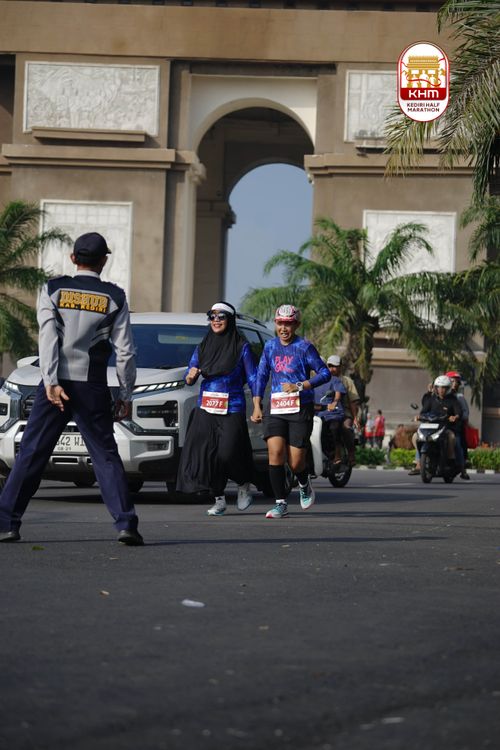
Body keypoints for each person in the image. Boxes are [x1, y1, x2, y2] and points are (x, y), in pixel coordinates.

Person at [0, 232, 143, 545]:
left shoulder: (53, 289)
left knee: (32, 453)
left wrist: (51, 382)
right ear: (103, 261)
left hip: (56, 386)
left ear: (73, 258)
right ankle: (126, 525)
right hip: (92, 386)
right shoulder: (114, 297)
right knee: (106, 456)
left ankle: (7, 523)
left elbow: (48, 339)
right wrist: (125, 394)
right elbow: (125, 352)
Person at [176, 301, 257, 516]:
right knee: (207, 455)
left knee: (227, 453)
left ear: (230, 320)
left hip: (232, 407)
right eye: (212, 316)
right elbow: (190, 373)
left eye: (221, 317)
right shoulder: (203, 346)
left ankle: (243, 483)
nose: (216, 320)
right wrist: (190, 376)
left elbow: (253, 378)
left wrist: (257, 405)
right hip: (206, 407)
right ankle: (219, 499)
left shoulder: (242, 347)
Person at [251, 304, 330, 519]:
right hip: (275, 406)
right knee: (275, 453)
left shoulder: (304, 347)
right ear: (275, 323)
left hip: (299, 407)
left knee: (295, 462)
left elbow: (324, 373)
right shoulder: (270, 347)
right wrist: (257, 404)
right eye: (280, 323)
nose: (284, 328)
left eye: (288, 324)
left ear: (296, 325)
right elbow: (261, 376)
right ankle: (280, 503)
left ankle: (304, 482)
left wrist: (300, 385)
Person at [325, 355, 360, 464]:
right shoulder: (322, 380)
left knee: (345, 428)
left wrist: (355, 418)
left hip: (344, 413)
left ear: (340, 367)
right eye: (330, 366)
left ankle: (350, 453)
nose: (332, 369)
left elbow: (353, 401)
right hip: (325, 412)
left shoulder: (347, 381)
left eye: (335, 366)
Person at [314, 368, 347, 464]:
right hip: (317, 415)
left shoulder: (334, 380)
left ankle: (337, 453)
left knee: (333, 428)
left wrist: (334, 403)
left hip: (333, 414)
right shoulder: (312, 381)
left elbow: (337, 395)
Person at [446, 371, 470, 480]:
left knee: (457, 444)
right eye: (452, 381)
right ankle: (419, 464)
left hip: (454, 427)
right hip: (440, 426)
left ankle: (462, 469)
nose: (454, 384)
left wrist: (457, 417)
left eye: (457, 382)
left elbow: (465, 413)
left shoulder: (459, 397)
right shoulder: (439, 396)